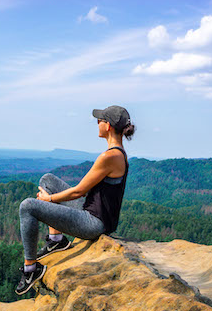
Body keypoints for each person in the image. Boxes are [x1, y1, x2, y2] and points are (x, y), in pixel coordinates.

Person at [15, 105, 136, 295]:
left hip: (94, 223)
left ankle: (31, 269)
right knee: (47, 179)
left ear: (109, 126)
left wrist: (49, 199)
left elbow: (78, 191)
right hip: (92, 212)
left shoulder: (109, 157)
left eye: (100, 120)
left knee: (28, 207)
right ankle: (56, 240)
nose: (97, 123)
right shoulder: (117, 153)